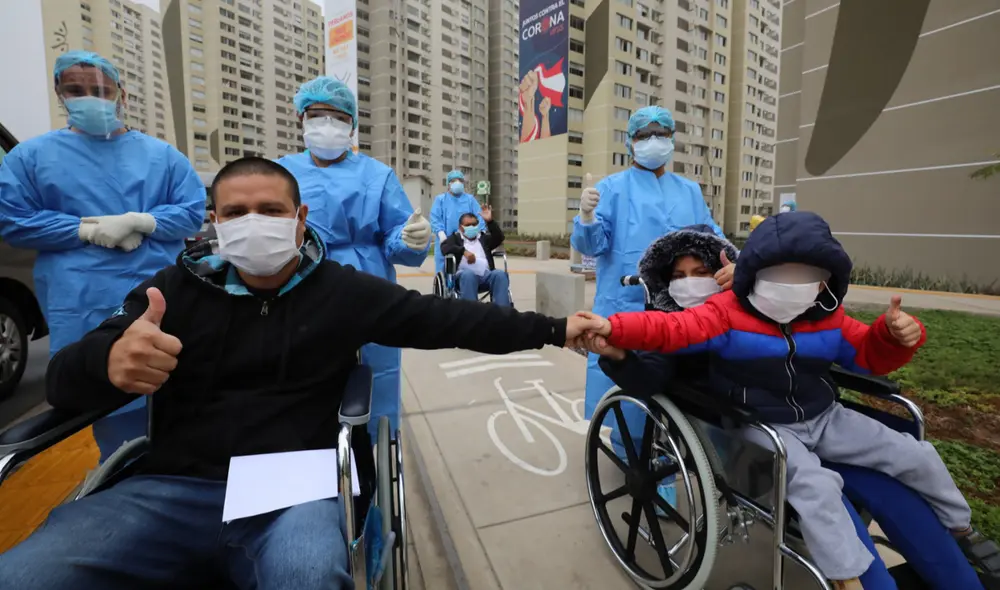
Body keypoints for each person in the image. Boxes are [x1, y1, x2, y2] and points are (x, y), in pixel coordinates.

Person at [0, 157, 602, 590]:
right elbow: (64, 382)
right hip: (171, 487)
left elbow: (450, 320)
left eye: (271, 210)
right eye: (237, 212)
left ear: (299, 216)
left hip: (295, 493)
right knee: (27, 574)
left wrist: (553, 329)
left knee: (307, 574)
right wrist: (107, 362)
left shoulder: (340, 292)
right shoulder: (171, 291)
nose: (254, 221)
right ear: (213, 219)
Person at [579, 211, 999, 590]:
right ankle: (848, 578)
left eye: (702, 270)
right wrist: (614, 335)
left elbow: (864, 351)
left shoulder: (815, 315)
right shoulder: (704, 317)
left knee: (912, 454)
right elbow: (661, 339)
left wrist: (893, 336)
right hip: (756, 425)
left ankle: (961, 535)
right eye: (681, 274)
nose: (691, 281)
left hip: (820, 416)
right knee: (818, 487)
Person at [0, 50, 205, 461]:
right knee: (100, 384)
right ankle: (119, 471)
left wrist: (143, 221)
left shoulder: (162, 156)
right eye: (76, 90)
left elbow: (190, 212)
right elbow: (11, 219)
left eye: (101, 89)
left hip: (158, 285)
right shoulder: (29, 158)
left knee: (178, 381)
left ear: (121, 94)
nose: (90, 97)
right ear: (59, 94)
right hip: (79, 294)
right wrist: (85, 229)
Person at [569, 105, 735, 465]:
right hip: (628, 304)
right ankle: (634, 457)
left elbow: (713, 239)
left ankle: (678, 454)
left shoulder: (689, 191)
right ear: (630, 142)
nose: (653, 141)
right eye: (645, 135)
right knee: (632, 397)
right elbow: (591, 246)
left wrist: (737, 265)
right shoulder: (612, 188)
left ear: (672, 139)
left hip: (687, 309)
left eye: (660, 134)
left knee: (688, 390)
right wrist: (585, 217)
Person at [276, 76, 431, 441]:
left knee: (376, 376)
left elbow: (395, 235)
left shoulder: (377, 175)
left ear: (353, 126)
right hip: (299, 289)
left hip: (368, 288)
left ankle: (374, 469)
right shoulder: (281, 171)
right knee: (300, 380)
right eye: (318, 115)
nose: (327, 125)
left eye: (339, 117)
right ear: (301, 118)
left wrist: (410, 238)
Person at [440, 209, 509, 306]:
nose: (472, 227)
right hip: (464, 276)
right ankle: (472, 315)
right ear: (461, 227)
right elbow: (444, 247)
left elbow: (499, 237)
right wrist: (463, 251)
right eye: (468, 225)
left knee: (500, 275)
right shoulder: (455, 238)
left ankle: (503, 313)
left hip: (485, 275)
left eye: (474, 224)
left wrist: (490, 221)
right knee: (469, 275)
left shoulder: (484, 238)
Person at [430, 169, 484, 272]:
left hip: (468, 240)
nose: (457, 183)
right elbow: (435, 218)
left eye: (460, 180)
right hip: (447, 241)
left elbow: (479, 216)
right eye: (454, 180)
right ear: (448, 184)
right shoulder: (441, 200)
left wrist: (482, 232)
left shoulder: (470, 200)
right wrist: (440, 233)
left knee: (470, 268)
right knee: (445, 269)